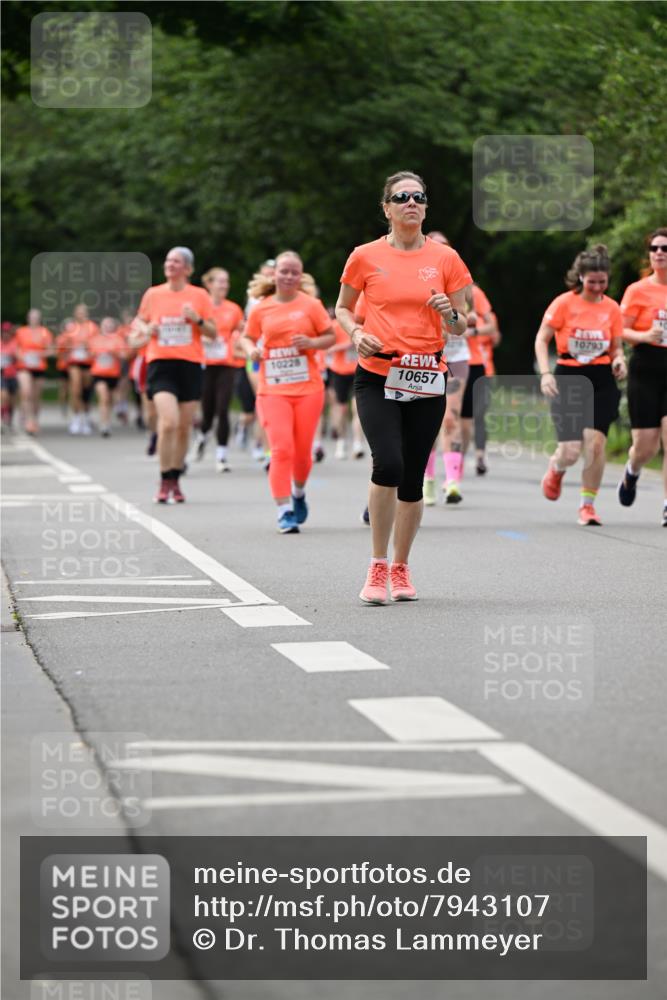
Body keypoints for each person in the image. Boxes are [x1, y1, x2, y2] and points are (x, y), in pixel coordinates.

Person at [336, 171, 471, 603]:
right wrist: (357, 335)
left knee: (413, 477)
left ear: (425, 207)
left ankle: (402, 566)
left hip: (427, 375)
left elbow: (462, 324)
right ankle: (377, 567)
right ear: (387, 208)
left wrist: (449, 312)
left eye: (418, 197)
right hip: (377, 373)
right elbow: (342, 308)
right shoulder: (364, 256)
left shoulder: (446, 258)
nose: (411, 202)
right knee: (388, 464)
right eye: (402, 197)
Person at [239, 251, 335, 533]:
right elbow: (246, 337)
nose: (289, 276)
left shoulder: (311, 305)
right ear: (275, 274)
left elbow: (330, 336)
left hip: (308, 388)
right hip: (273, 388)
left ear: (300, 275)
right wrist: (252, 350)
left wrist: (311, 343)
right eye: (284, 271)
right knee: (281, 449)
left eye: (294, 272)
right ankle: (284, 510)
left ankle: (299, 493)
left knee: (303, 454)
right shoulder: (261, 308)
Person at [536, 244, 626, 526]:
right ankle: (557, 466)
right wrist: (546, 373)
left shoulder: (612, 308)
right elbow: (542, 339)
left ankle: (587, 505)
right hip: (569, 377)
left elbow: (617, 348)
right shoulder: (564, 303)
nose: (598, 287)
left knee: (596, 444)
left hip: (602, 379)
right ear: (581, 278)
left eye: (603, 282)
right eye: (592, 281)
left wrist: (619, 361)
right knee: (571, 450)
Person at [130, 247, 216, 503]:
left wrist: (196, 319)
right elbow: (137, 327)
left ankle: (175, 479)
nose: (170, 264)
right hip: (160, 364)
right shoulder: (153, 294)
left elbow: (213, 332)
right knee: (168, 422)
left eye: (176, 261)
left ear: (187, 269)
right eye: (167, 260)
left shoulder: (199, 295)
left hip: (189, 364)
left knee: (183, 427)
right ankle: (164, 477)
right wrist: (148, 329)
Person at [616, 228, 667, 526]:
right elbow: (619, 330)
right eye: (654, 248)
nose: (659, 253)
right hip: (646, 367)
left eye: (665, 248)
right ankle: (632, 471)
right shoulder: (637, 290)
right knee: (647, 446)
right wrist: (646, 334)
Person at [421, 232, 471, 506]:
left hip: (456, 358)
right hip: (425, 359)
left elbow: (473, 318)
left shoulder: (462, 279)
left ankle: (452, 482)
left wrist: (458, 317)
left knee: (451, 419)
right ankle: (427, 480)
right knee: (426, 423)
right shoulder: (414, 276)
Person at [194, 267, 244, 471]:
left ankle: (221, 455)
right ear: (209, 284)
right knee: (208, 411)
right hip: (204, 364)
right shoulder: (199, 308)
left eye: (226, 282)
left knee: (223, 409)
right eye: (220, 281)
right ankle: (202, 435)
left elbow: (243, 331)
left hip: (226, 363)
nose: (224, 285)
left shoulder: (233, 309)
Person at [14, 308, 54, 435]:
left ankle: (34, 419)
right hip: (24, 366)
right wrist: (22, 356)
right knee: (26, 392)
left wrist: (39, 354)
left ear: (39, 319)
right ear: (28, 318)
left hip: (39, 367)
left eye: (36, 317)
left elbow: (52, 350)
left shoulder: (45, 332)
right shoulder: (21, 331)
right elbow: (15, 348)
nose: (34, 320)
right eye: (32, 317)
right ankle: (28, 421)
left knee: (36, 396)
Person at [63, 304, 99, 434]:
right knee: (76, 389)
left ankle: (85, 417)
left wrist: (88, 346)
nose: (81, 314)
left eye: (83, 312)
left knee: (86, 391)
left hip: (88, 361)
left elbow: (97, 343)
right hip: (74, 362)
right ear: (75, 313)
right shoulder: (71, 327)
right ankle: (76, 418)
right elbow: (65, 344)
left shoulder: (93, 327)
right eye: (79, 312)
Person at [90, 317, 128, 436]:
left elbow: (124, 355)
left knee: (110, 400)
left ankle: (107, 421)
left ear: (113, 327)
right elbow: (89, 354)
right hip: (98, 373)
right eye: (105, 325)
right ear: (101, 327)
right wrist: (97, 353)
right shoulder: (95, 339)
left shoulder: (118, 339)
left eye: (110, 325)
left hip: (113, 374)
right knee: (104, 397)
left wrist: (114, 352)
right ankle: (104, 425)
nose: (107, 327)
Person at [1, 322, 18, 429]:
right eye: (4, 332)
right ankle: (2, 419)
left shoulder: (15, 343)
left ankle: (10, 419)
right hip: (1, 375)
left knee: (11, 400)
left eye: (8, 332)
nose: (6, 334)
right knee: (3, 396)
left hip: (13, 375)